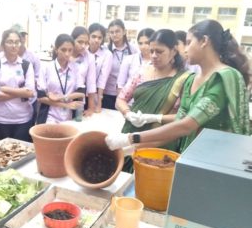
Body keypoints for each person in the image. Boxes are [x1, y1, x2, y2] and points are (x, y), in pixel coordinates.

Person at [106, 19, 250, 155]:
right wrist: (131, 149)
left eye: (188, 42)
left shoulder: (224, 77)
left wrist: (131, 138)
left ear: (204, 41)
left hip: (217, 157)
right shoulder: (191, 80)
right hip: (190, 155)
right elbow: (176, 127)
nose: (185, 50)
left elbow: (187, 125)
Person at [115, 29, 191, 172]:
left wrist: (155, 118)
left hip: (161, 141)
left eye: (159, 51)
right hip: (130, 135)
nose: (154, 56)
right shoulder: (142, 71)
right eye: (151, 51)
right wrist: (128, 114)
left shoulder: (184, 79)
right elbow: (121, 99)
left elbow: (186, 119)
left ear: (173, 51)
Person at [0, 29, 35, 142]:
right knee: (4, 156)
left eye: (17, 42)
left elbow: (30, 92)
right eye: (10, 42)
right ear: (3, 44)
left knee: (23, 155)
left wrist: (5, 89)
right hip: (1, 119)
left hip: (24, 119)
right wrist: (21, 92)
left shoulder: (26, 65)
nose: (14, 45)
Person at [36, 34, 85, 123]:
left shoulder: (75, 68)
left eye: (70, 50)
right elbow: (40, 97)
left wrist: (61, 97)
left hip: (69, 116)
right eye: (63, 50)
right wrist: (65, 105)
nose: (67, 54)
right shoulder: (46, 68)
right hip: (49, 116)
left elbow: (81, 92)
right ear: (56, 49)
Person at [103, 19, 138, 109]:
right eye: (111, 32)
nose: (114, 34)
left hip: (126, 95)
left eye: (117, 31)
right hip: (107, 93)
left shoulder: (133, 50)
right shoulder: (105, 49)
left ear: (124, 32)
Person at [117, 28, 155, 94]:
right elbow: (120, 84)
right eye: (140, 43)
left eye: (147, 43)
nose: (143, 46)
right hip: (128, 102)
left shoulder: (158, 62)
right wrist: (119, 102)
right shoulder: (129, 59)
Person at [71, 26, 97, 116]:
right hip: (62, 97)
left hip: (79, 97)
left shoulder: (89, 57)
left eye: (86, 43)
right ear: (72, 40)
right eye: (80, 42)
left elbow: (91, 83)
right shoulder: (65, 54)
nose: (83, 46)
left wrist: (91, 108)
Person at [88, 23, 113, 113]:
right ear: (88, 36)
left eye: (99, 37)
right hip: (79, 95)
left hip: (94, 96)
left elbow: (102, 80)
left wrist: (99, 102)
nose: (96, 40)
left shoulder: (107, 54)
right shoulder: (83, 53)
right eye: (93, 36)